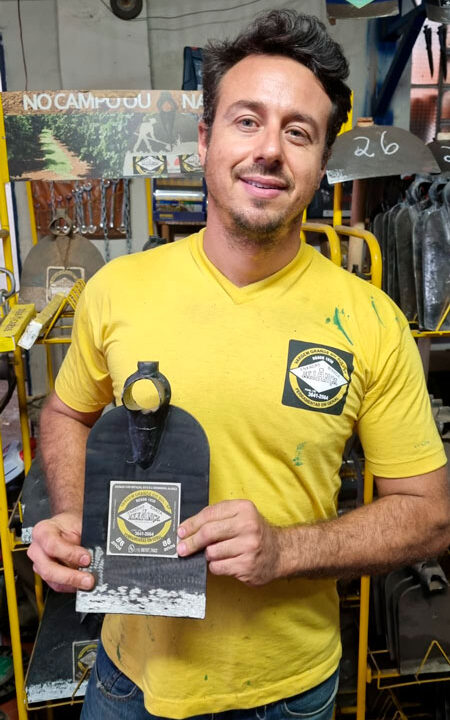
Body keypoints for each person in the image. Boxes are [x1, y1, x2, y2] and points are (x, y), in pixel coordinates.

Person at [28, 9, 449, 720]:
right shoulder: (118, 289)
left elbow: (429, 516)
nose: (270, 150)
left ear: (322, 162)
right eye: (247, 120)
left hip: (286, 694)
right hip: (127, 681)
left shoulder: (371, 321)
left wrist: (285, 550)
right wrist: (75, 515)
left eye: (299, 132)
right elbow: (68, 411)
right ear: (205, 139)